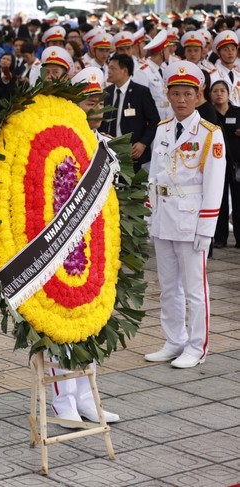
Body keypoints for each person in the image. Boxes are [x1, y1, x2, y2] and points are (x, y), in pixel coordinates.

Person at [45, 67, 121, 426]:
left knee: (92, 323)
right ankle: (64, 400)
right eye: (89, 101)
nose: (96, 107)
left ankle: (87, 396)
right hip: (61, 248)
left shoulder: (104, 144)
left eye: (100, 101)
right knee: (61, 325)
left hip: (96, 248)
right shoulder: (58, 142)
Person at [144, 61, 225, 368]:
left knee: (194, 290)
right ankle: (174, 339)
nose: (180, 100)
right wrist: (150, 217)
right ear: (168, 95)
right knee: (168, 287)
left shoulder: (209, 133)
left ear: (197, 95)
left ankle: (196, 346)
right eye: (175, 93)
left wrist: (207, 228)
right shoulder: (163, 129)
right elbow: (154, 176)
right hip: (164, 218)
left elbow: (214, 183)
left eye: (187, 94)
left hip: (191, 220)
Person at [100, 54, 160, 174]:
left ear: (125, 70)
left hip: (134, 153)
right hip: (110, 152)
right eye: (109, 68)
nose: (109, 71)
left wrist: (143, 143)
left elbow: (155, 121)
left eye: (113, 68)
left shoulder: (141, 92)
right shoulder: (107, 92)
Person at [210, 78, 240, 248]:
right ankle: (220, 239)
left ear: (228, 94)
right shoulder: (210, 114)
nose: (219, 94)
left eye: (222, 91)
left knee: (238, 202)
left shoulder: (237, 112)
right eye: (215, 91)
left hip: (237, 164)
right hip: (217, 165)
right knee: (219, 202)